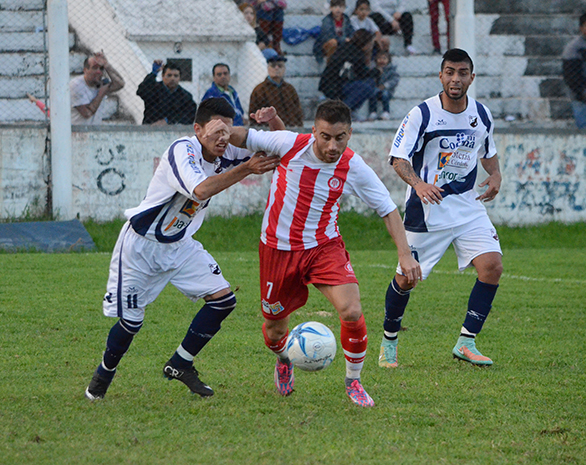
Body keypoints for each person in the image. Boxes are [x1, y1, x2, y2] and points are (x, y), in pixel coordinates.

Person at [228, 99, 422, 407]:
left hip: (323, 247)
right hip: (278, 249)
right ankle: (283, 359)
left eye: (340, 137)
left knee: (352, 311)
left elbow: (388, 209)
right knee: (275, 329)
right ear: (314, 132)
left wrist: (405, 254)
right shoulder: (290, 143)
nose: (333, 145)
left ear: (350, 133)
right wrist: (220, 131)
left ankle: (353, 381)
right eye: (326, 137)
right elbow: (244, 136)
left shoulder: (352, 166)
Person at [84, 98, 281, 401]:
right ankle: (102, 377)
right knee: (131, 322)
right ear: (197, 129)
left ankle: (180, 364)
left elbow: (282, 150)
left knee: (223, 300)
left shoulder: (227, 149)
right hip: (141, 247)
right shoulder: (182, 149)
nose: (222, 138)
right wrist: (245, 169)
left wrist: (272, 122)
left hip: (180, 245)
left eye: (227, 131)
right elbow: (200, 190)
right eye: (215, 130)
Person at [380, 48, 503, 369]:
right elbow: (398, 158)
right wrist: (418, 184)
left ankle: (467, 342)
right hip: (427, 211)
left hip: (468, 208)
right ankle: (388, 341)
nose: (455, 79)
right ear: (440, 75)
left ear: (471, 78)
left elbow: (486, 150)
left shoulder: (482, 114)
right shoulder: (422, 113)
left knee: (492, 266)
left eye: (462, 73)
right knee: (407, 279)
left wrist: (496, 173)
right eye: (450, 72)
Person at [319, 29, 380, 117]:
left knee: (370, 83)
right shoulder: (356, 54)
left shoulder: (348, 47)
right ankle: (342, 112)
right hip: (334, 86)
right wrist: (377, 71)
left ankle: (352, 110)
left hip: (336, 83)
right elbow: (362, 74)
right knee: (366, 88)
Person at [248, 54, 304, 127]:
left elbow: (298, 111)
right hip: (268, 131)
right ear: (268, 68)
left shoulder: (290, 89)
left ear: (284, 69)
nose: (276, 68)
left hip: (290, 128)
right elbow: (253, 114)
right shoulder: (259, 89)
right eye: (273, 66)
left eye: (280, 66)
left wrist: (299, 126)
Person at [70, 52, 125, 125]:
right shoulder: (76, 85)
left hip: (93, 131)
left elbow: (120, 83)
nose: (99, 72)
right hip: (76, 133)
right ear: (85, 70)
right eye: (95, 68)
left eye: (101, 68)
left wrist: (107, 66)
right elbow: (87, 113)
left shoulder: (99, 83)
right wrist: (101, 93)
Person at [136, 61, 197, 125]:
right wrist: (153, 73)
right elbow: (141, 91)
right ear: (163, 76)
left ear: (179, 78)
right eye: (169, 75)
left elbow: (189, 115)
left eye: (176, 76)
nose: (172, 78)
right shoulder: (154, 89)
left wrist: (168, 121)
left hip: (175, 131)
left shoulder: (185, 96)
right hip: (151, 127)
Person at [313, 0, 354, 65]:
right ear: (331, 8)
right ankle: (330, 67)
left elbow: (351, 31)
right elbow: (328, 36)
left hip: (342, 45)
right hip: (326, 45)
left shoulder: (346, 19)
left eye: (340, 7)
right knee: (333, 42)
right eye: (335, 7)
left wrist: (351, 38)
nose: (338, 9)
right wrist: (344, 39)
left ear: (344, 8)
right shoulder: (327, 20)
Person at [368, 50, 399, 120]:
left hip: (387, 90)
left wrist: (385, 85)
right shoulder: (373, 69)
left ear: (388, 60)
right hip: (376, 89)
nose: (381, 60)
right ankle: (373, 112)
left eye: (384, 58)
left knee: (385, 94)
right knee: (372, 94)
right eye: (379, 58)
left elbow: (395, 80)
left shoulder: (391, 70)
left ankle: (386, 112)